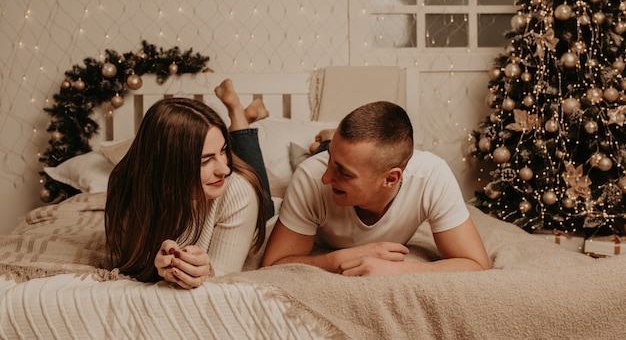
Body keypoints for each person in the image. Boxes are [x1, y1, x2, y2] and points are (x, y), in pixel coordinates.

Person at [261, 101, 490, 276]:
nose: (326, 178)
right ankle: (324, 146)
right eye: (331, 159)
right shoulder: (310, 178)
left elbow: (476, 263)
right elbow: (273, 265)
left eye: (344, 172)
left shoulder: (431, 176)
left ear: (391, 179)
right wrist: (340, 259)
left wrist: (399, 271)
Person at [105, 79, 272, 288]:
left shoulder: (238, 189)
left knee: (259, 193)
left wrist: (207, 271)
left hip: (261, 210)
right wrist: (156, 266)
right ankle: (243, 117)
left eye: (223, 151)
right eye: (205, 160)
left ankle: (238, 113)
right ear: (170, 165)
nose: (224, 169)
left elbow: (224, 277)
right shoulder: (127, 187)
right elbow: (127, 261)